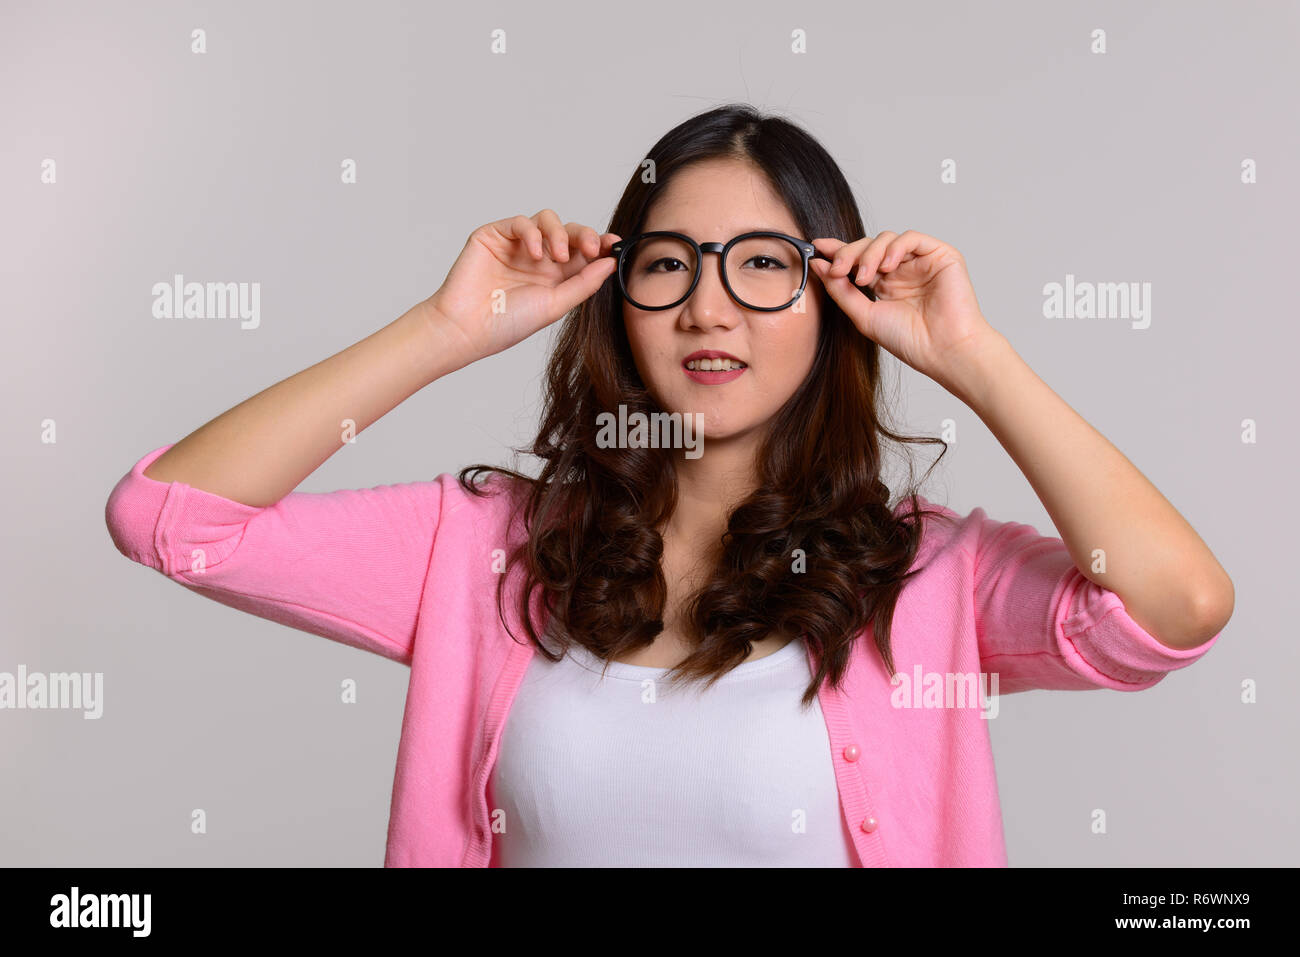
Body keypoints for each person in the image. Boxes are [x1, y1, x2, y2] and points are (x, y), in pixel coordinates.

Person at [105, 103, 1232, 867]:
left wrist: (974, 357)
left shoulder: (927, 578)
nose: (709, 308)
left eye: (762, 265)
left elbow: (1172, 608)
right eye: (665, 265)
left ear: (832, 301)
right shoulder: (484, 549)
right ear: (616, 299)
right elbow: (171, 519)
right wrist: (446, 330)